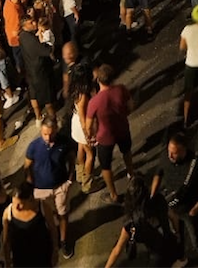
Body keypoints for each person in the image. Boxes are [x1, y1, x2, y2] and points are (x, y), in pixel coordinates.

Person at [150, 132, 198, 266]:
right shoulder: (166, 156)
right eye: (169, 151)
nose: (170, 156)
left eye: (174, 153)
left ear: (184, 150)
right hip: (172, 209)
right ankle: (182, 258)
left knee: (197, 241)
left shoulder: (196, 163)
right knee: (179, 237)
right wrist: (153, 195)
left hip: (190, 209)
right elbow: (158, 173)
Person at [23, 118, 75, 260]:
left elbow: (72, 159)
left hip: (60, 187)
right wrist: (30, 186)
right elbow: (27, 167)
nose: (48, 137)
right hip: (40, 190)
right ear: (41, 131)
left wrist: (69, 180)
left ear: (56, 130)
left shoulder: (64, 142)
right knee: (47, 218)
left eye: (51, 134)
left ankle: (63, 241)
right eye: (45, 134)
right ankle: (53, 242)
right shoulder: (33, 147)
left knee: (62, 213)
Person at [84, 64, 135, 203]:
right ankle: (132, 176)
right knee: (127, 152)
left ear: (98, 80)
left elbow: (88, 126)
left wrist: (91, 136)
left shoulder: (94, 102)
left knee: (106, 166)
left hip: (105, 137)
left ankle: (113, 195)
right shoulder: (121, 89)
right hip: (123, 129)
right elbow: (131, 106)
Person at [103, 174, 170, 268]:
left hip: (156, 252)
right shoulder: (159, 200)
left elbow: (117, 250)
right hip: (168, 241)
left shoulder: (131, 222)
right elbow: (173, 217)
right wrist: (177, 234)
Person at [1, 181, 56, 268]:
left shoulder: (43, 207)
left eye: (20, 204)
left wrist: (55, 251)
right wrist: (8, 262)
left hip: (42, 256)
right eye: (14, 202)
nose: (16, 207)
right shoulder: (8, 213)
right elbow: (6, 241)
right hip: (21, 259)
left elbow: (53, 230)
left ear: (30, 199)